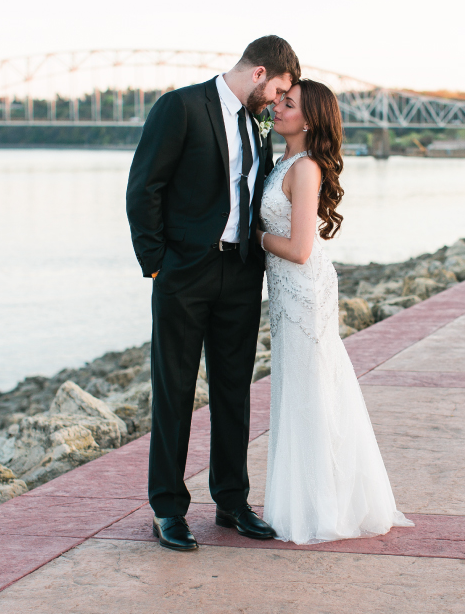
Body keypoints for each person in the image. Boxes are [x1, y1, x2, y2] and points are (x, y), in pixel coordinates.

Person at [126, 36, 300, 551]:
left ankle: (231, 501)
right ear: (260, 72)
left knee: (233, 392)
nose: (276, 103)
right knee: (175, 392)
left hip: (241, 275)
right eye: (278, 92)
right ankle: (168, 509)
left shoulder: (255, 121)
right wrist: (157, 265)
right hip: (184, 274)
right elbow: (144, 188)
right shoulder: (180, 107)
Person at [255, 80, 413, 544]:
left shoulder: (304, 169)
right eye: (279, 100)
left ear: (309, 119)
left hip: (303, 290)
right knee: (295, 388)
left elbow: (301, 249)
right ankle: (299, 501)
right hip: (285, 293)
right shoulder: (280, 160)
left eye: (289, 103)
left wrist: (253, 239)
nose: (277, 107)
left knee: (311, 391)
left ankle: (321, 510)